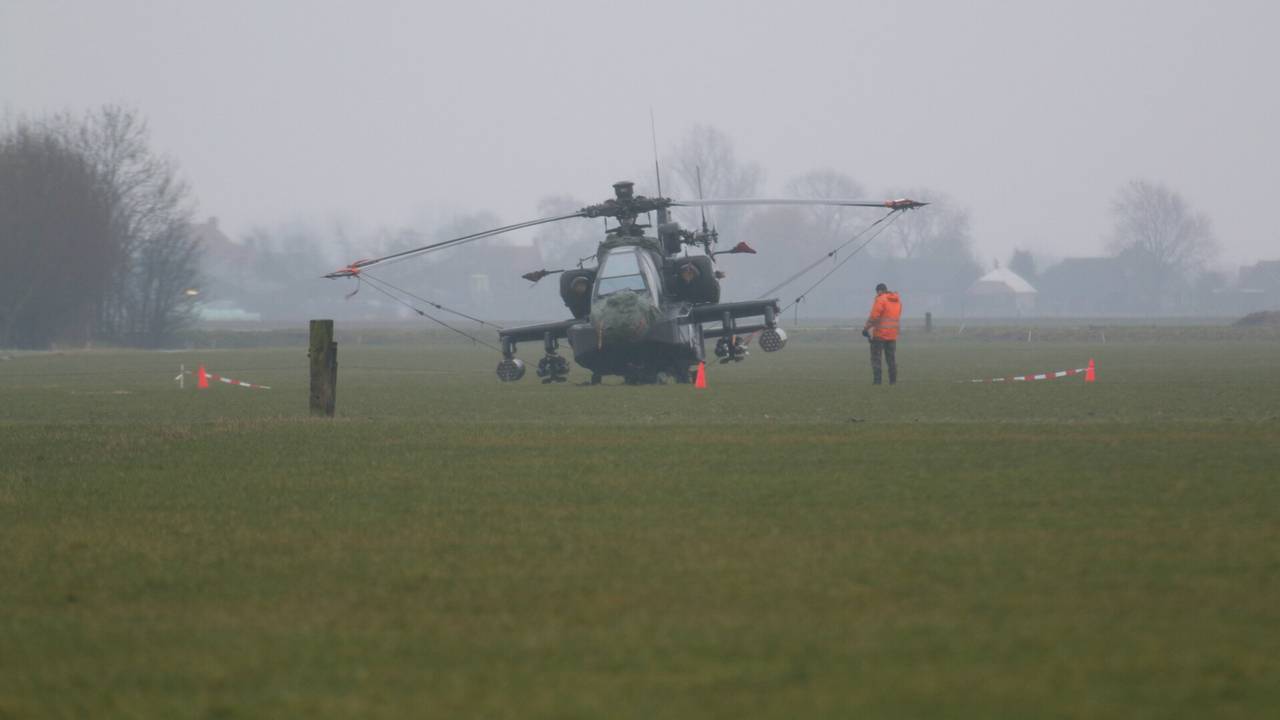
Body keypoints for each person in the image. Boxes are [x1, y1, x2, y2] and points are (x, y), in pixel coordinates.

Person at [862, 282, 901, 385]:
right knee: (891, 359)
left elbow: (874, 316)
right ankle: (893, 381)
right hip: (892, 335)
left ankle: (877, 381)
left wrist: (866, 328)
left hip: (880, 335)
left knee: (876, 359)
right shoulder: (897, 301)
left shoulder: (880, 299)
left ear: (879, 291)